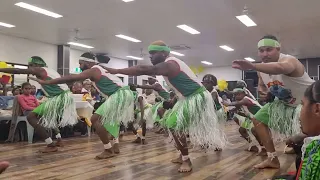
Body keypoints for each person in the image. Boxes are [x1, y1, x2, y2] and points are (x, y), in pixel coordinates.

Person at [102, 40, 226, 172]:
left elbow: (144, 69)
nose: (150, 57)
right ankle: (182, 155)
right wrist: (173, 100)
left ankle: (186, 160)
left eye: (153, 53)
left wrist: (116, 70)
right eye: (150, 54)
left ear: (163, 53)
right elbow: (179, 89)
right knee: (169, 122)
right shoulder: (171, 64)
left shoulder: (170, 64)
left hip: (196, 97)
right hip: (187, 97)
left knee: (174, 125)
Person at [30, 52, 135, 159]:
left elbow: (72, 78)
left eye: (80, 64)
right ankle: (114, 145)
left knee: (95, 119)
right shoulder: (98, 69)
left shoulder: (93, 70)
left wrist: (49, 82)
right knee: (111, 120)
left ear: (86, 62)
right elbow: (70, 77)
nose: (79, 67)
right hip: (123, 94)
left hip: (119, 94)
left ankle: (108, 150)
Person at [232, 35, 314, 169]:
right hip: (285, 103)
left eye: (269, 50)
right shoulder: (261, 71)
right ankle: (272, 159)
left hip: (308, 103)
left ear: (278, 49)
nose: (265, 54)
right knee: (257, 119)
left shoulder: (289, 60)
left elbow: (282, 68)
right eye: (261, 50)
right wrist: (267, 92)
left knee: (307, 135)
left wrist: (253, 65)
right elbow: (262, 85)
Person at [0, 56, 76, 152]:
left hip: (59, 97)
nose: (30, 68)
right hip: (64, 97)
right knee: (49, 117)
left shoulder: (40, 70)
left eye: (30, 66)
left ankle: (50, 145)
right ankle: (59, 139)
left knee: (31, 117)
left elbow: (17, 70)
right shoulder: (50, 71)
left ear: (36, 65)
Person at [224, 88, 264, 153]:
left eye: (237, 94)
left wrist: (228, 104)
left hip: (261, 118)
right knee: (242, 130)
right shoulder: (241, 102)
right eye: (235, 95)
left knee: (254, 130)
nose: (235, 96)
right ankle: (253, 146)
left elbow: (237, 103)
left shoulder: (245, 99)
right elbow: (241, 111)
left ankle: (264, 148)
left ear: (243, 94)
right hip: (253, 118)